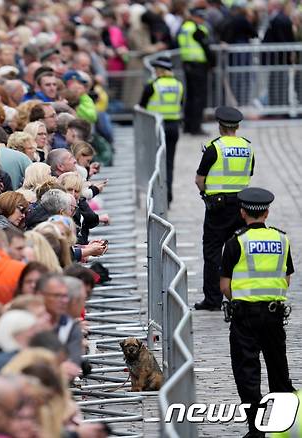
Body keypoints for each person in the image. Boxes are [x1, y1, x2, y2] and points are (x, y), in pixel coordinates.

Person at [220, 188, 295, 438]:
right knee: (278, 370)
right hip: (274, 314)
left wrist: (240, 299)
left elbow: (224, 285)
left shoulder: (235, 242)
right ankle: (285, 426)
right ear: (267, 212)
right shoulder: (282, 239)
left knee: (247, 372)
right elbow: (287, 277)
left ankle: (257, 428)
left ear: (242, 213)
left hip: (245, 316)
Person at [194, 107, 254, 311]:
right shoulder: (248, 147)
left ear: (220, 126)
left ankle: (213, 300)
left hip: (217, 208)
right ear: (237, 126)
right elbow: (249, 173)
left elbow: (199, 179)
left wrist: (205, 195)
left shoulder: (214, 148)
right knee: (237, 251)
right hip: (242, 207)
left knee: (212, 252)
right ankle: (238, 294)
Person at [139, 56, 183, 204]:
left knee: (154, 163)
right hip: (173, 127)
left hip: (156, 127)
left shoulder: (153, 85)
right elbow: (181, 103)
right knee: (169, 163)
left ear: (158, 71)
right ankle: (168, 197)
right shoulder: (178, 85)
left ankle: (156, 198)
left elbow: (141, 106)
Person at [177, 8, 212, 135]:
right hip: (198, 65)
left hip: (187, 63)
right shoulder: (197, 29)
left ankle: (187, 126)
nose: (202, 21)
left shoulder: (184, 27)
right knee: (199, 97)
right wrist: (212, 62)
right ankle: (196, 127)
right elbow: (206, 47)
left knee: (191, 97)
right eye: (201, 18)